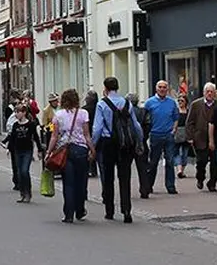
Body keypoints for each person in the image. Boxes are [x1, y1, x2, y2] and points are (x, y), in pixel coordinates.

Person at [92, 77, 140, 223]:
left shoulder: (102, 104)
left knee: (108, 177)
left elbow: (98, 128)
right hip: (125, 143)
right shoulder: (127, 103)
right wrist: (140, 141)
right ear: (117, 87)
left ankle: (109, 210)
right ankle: (126, 210)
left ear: (105, 88)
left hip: (108, 142)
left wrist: (93, 145)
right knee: (124, 177)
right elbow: (135, 124)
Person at [50, 89, 94, 223]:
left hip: (65, 150)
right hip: (81, 149)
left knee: (68, 183)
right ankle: (80, 210)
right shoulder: (83, 113)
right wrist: (92, 149)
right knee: (81, 181)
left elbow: (54, 136)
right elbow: (86, 134)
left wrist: (49, 151)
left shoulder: (58, 115)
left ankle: (68, 213)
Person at [143, 80, 182, 196]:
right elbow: (145, 119)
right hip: (155, 135)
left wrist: (174, 130)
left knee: (170, 161)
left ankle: (170, 186)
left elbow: (176, 117)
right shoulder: (149, 103)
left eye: (164, 87)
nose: (162, 89)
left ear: (167, 89)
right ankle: (148, 185)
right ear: (156, 88)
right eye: (160, 87)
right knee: (153, 162)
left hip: (168, 135)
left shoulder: (171, 103)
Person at [3, 103, 43, 203]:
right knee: (19, 172)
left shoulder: (30, 124)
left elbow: (36, 138)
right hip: (17, 150)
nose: (17, 114)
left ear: (24, 113)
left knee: (25, 171)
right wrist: (9, 148)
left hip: (27, 151)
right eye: (15, 112)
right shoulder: (15, 125)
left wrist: (39, 150)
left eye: (19, 112)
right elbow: (12, 138)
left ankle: (28, 192)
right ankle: (22, 193)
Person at [185, 83, 217, 191]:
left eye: (211, 92)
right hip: (200, 139)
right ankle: (200, 178)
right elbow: (189, 122)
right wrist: (190, 136)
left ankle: (212, 183)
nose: (209, 93)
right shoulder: (196, 104)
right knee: (201, 162)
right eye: (207, 91)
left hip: (215, 139)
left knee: (215, 163)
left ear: (214, 93)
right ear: (204, 92)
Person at [129, 92, 153, 199]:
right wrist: (144, 137)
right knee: (142, 167)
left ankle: (126, 190)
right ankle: (145, 189)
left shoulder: (125, 112)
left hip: (128, 143)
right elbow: (148, 125)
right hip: (141, 142)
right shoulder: (143, 111)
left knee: (125, 169)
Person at [173, 95, 191, 179]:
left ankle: (182, 171)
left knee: (185, 153)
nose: (180, 102)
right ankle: (179, 170)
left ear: (186, 102)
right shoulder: (175, 111)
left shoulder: (189, 112)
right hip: (177, 133)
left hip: (186, 133)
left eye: (182, 101)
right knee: (177, 153)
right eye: (179, 100)